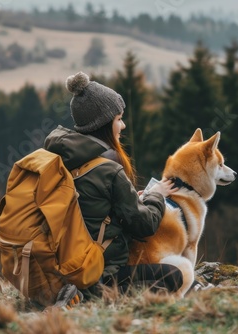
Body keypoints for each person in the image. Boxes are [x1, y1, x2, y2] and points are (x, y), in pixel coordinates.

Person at [44, 71, 182, 300]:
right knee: (175, 275)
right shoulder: (109, 170)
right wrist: (156, 195)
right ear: (104, 124)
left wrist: (129, 199)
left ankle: (69, 293)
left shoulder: (59, 159)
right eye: (118, 119)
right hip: (98, 274)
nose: (123, 125)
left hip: (58, 270)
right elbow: (144, 225)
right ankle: (90, 296)